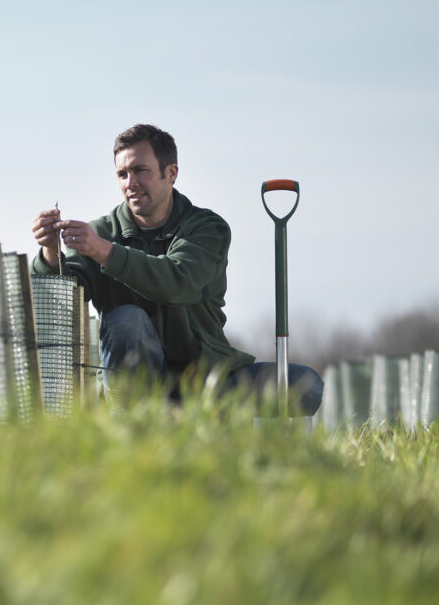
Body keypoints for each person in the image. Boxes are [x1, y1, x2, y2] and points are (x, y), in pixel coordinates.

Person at [30, 123, 322, 415]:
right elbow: (61, 301)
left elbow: (177, 281)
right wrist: (50, 254)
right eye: (122, 174)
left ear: (171, 173)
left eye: (140, 170)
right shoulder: (101, 233)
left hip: (208, 380)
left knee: (304, 384)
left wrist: (105, 252)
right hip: (136, 386)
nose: (130, 182)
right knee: (125, 320)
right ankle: (132, 425)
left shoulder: (207, 229)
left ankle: (195, 418)